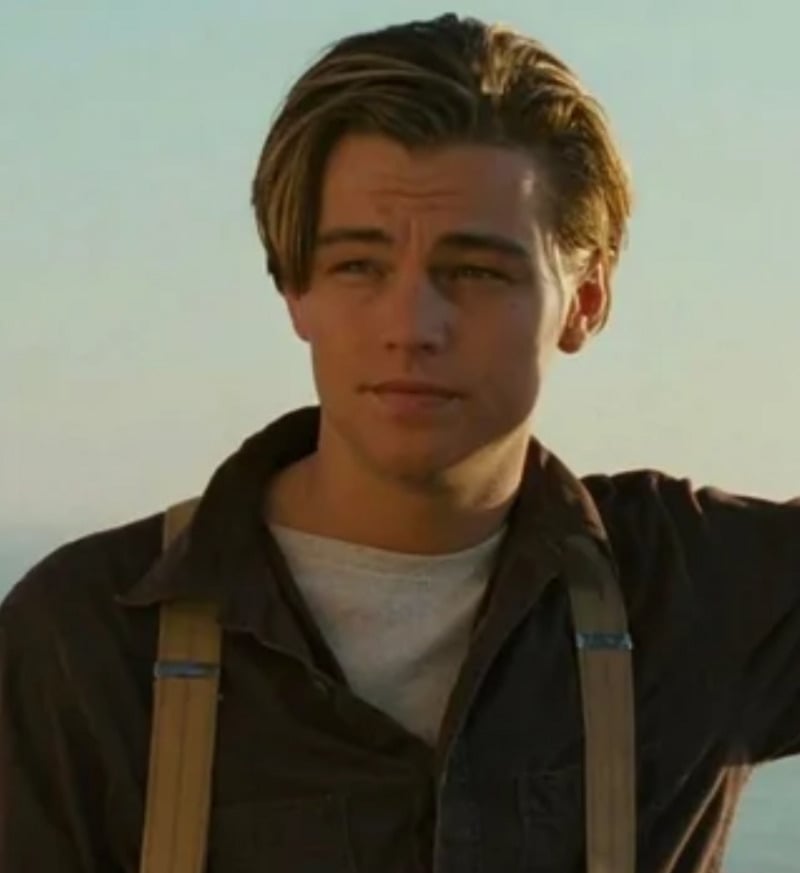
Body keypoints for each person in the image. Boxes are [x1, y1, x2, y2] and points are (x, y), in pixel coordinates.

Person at [1, 13, 798, 873]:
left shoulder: (694, 591)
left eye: (478, 271)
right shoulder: (84, 642)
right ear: (292, 283)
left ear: (586, 299)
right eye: (358, 266)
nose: (412, 325)